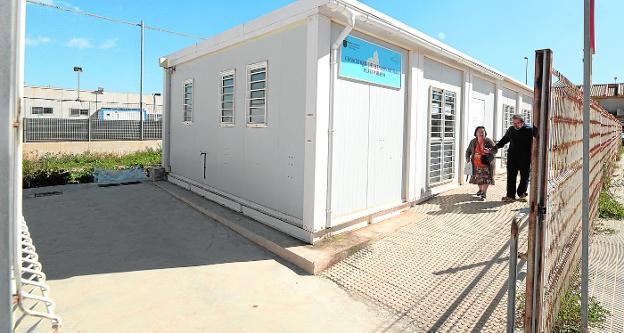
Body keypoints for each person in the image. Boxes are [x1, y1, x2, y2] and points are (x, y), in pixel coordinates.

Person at [496, 114, 534, 202]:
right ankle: (510, 195)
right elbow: (504, 139)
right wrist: (496, 147)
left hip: (525, 158)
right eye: (513, 123)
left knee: (525, 176)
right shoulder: (511, 129)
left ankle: (522, 194)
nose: (515, 125)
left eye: (517, 123)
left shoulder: (529, 130)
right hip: (512, 157)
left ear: (522, 122)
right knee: (511, 176)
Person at [465, 126, 498, 200]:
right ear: (476, 133)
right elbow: (468, 151)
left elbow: (495, 150)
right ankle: (480, 190)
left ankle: (484, 192)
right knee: (478, 179)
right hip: (476, 164)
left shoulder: (488, 141)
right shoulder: (473, 141)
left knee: (486, 179)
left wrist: (489, 151)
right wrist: (467, 158)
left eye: (482, 131)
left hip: (486, 164)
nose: (481, 133)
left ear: (485, 133)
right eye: (479, 132)